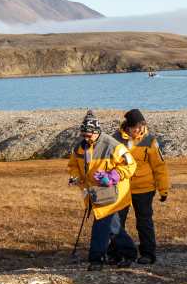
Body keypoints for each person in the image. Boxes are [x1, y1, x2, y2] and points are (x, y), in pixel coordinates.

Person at [67, 111, 137, 270]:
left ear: (97, 132)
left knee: (101, 226)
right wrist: (76, 177)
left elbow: (131, 165)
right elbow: (72, 166)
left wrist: (113, 176)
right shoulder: (80, 148)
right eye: (83, 135)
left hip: (113, 194)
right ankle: (129, 254)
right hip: (94, 195)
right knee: (113, 228)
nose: (86, 138)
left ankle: (96, 260)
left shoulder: (113, 146)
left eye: (88, 135)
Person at [115, 109, 170, 265]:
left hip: (145, 188)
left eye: (142, 126)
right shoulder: (116, 140)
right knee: (117, 222)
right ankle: (118, 253)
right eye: (136, 127)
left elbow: (160, 167)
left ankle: (148, 254)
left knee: (144, 222)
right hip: (122, 188)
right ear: (128, 127)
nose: (139, 130)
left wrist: (163, 188)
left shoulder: (150, 141)